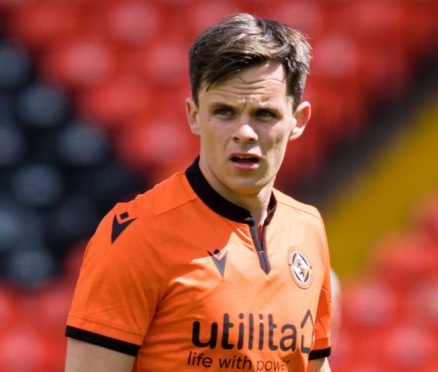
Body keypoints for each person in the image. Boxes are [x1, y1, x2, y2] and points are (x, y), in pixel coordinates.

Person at [64, 13, 332, 372]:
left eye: (264, 114)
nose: (245, 132)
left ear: (298, 120)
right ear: (194, 116)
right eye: (224, 111)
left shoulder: (307, 228)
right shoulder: (136, 235)